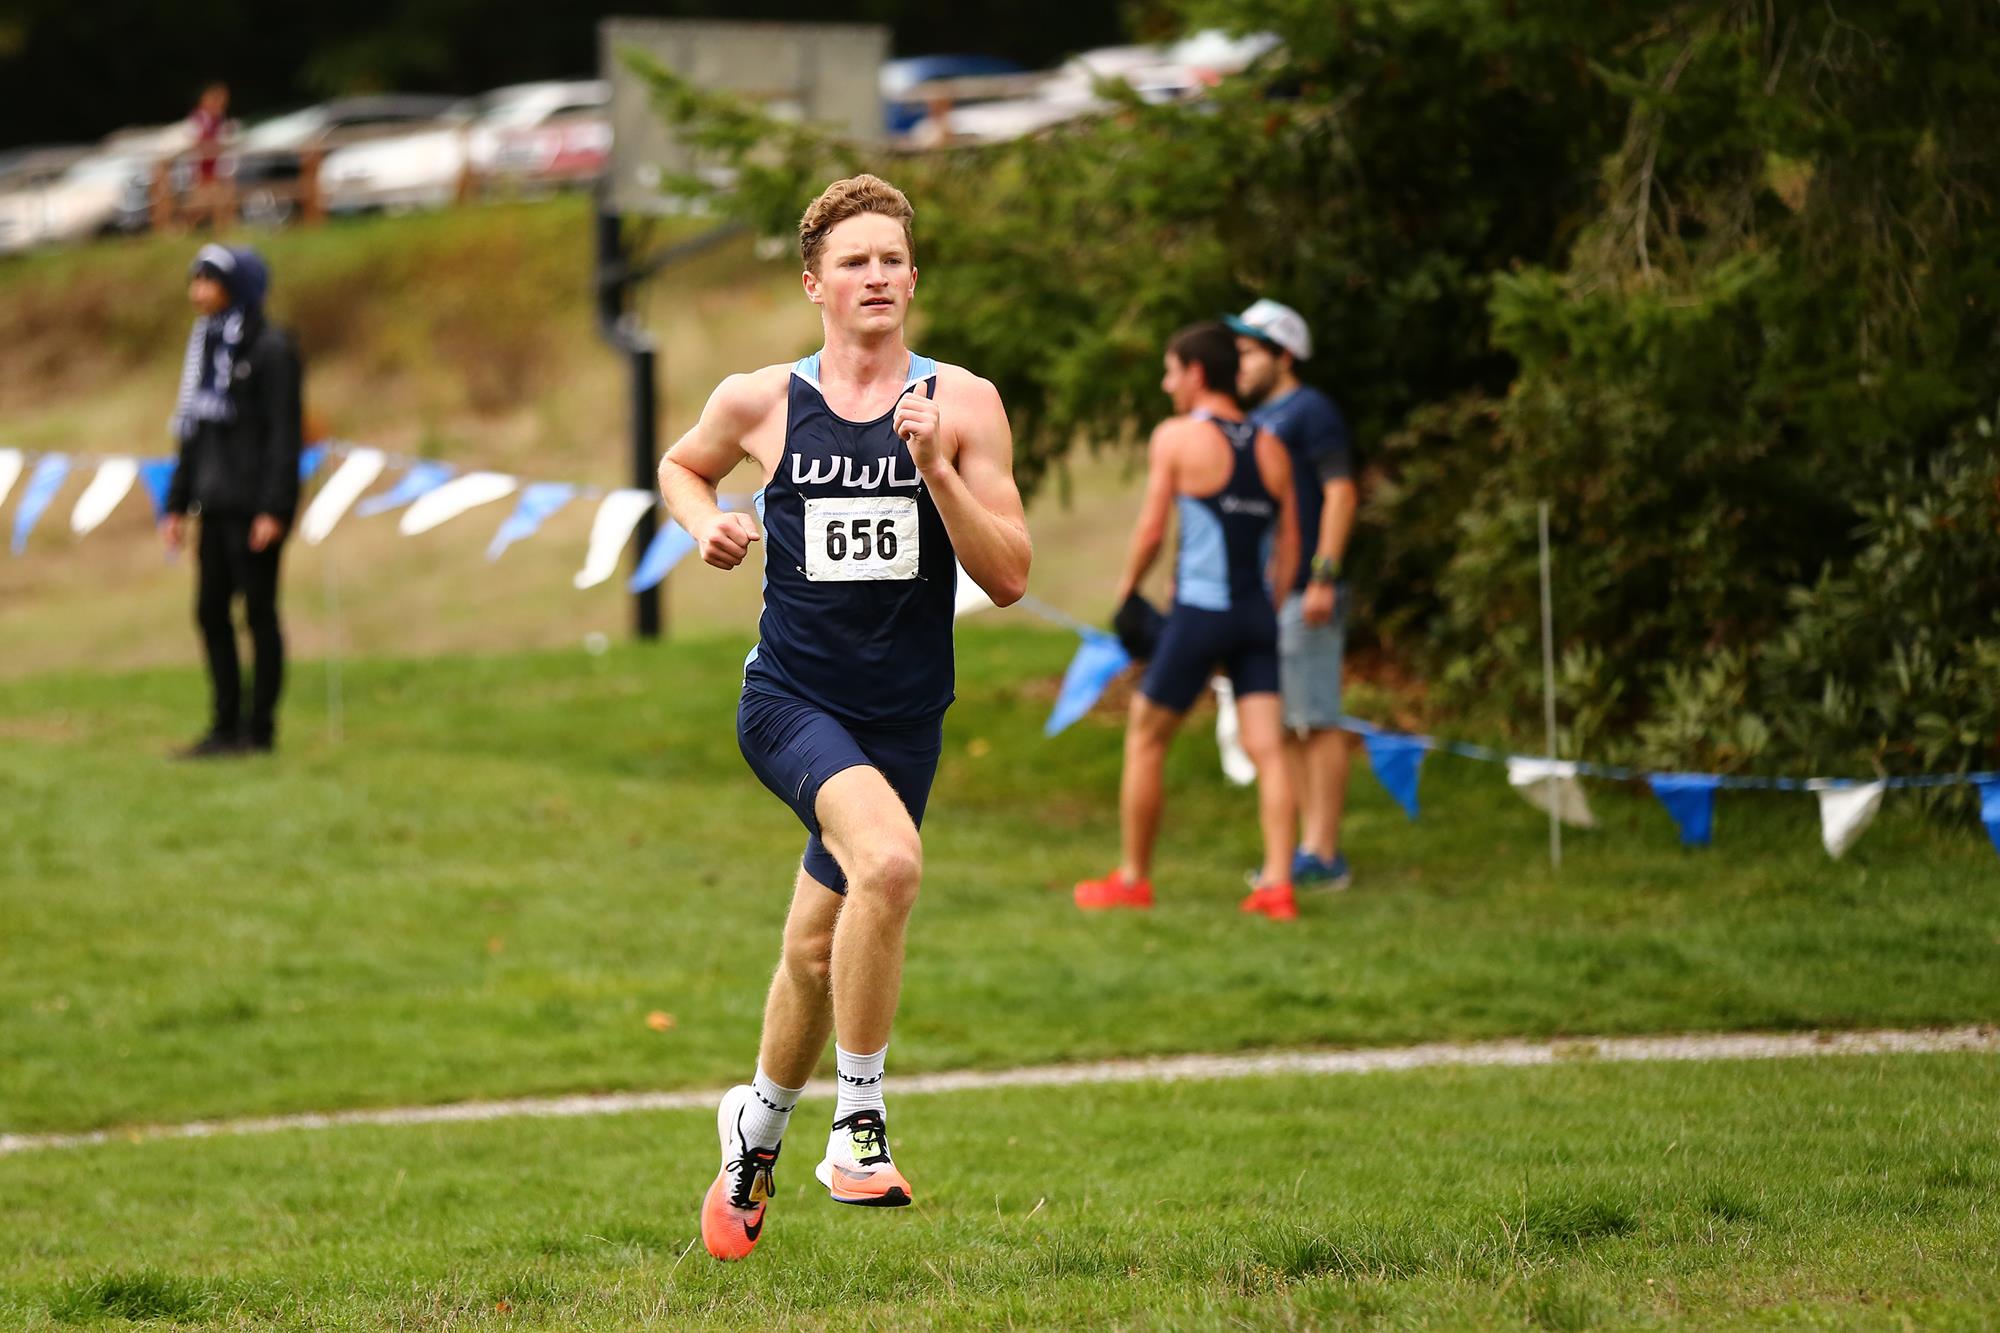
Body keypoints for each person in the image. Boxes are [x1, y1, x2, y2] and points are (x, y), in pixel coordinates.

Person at [656, 174, 1031, 1262]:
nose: (875, 276)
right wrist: (704, 525)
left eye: (891, 259)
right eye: (853, 261)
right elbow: (683, 466)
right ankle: (856, 1125)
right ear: (814, 284)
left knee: (818, 946)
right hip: (791, 701)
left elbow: (1007, 577)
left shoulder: (962, 405)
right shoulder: (761, 399)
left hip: (904, 718)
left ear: (912, 278)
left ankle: (754, 1131)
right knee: (894, 866)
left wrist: (935, 474)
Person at [1074, 322, 1301, 919]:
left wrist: (1126, 591)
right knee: (1269, 749)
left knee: (1146, 735)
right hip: (1256, 616)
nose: (1166, 382)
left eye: (1172, 370)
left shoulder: (1177, 437)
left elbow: (1152, 530)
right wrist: (1268, 608)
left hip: (1199, 614)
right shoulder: (1273, 446)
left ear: (1197, 373)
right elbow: (1291, 548)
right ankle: (1277, 885)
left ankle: (1133, 878)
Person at [1228, 299, 1359, 890]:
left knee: (1317, 718)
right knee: (1287, 724)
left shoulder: (1312, 411)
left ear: (1283, 355)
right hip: (1269, 595)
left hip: (1308, 591)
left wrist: (1323, 575)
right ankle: (1304, 849)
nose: (1241, 362)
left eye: (1252, 350)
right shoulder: (1260, 419)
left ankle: (1323, 854)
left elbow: (1341, 493)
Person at [161, 244, 303, 757]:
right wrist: (175, 503)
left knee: (259, 615)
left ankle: (258, 731)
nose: (197, 292)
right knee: (210, 612)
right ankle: (223, 726)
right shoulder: (204, 350)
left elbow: (285, 436)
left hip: (254, 509)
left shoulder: (272, 349)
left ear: (236, 285)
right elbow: (192, 432)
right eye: (194, 280)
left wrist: (275, 507)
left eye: (208, 280)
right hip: (213, 506)